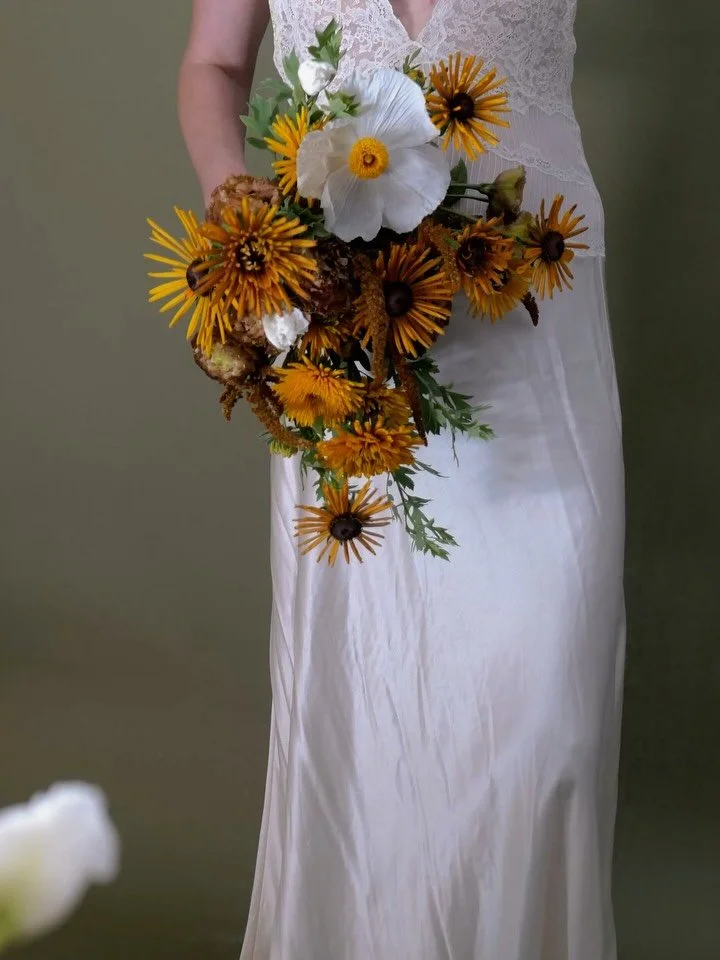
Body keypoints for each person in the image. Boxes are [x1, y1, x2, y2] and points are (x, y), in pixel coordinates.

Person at [178, 1, 626, 957]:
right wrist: (234, 200)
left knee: (548, 720)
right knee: (369, 708)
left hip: (534, 316)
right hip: (341, 338)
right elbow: (214, 63)